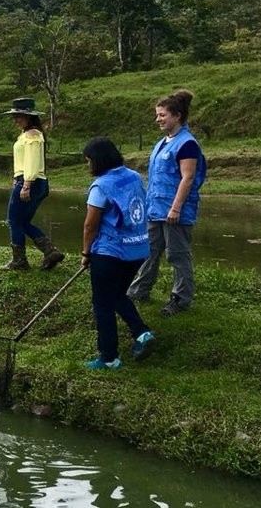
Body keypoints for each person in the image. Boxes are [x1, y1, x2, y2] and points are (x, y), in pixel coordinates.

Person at [127, 90, 207, 317]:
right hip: (155, 209)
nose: (158, 119)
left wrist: (176, 208)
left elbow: (188, 177)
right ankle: (139, 291)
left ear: (177, 116)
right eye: (157, 115)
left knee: (177, 255)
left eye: (162, 115)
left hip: (175, 211)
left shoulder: (187, 144)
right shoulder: (163, 142)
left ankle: (180, 300)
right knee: (149, 251)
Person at [80, 137, 154, 370]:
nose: (87, 165)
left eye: (88, 161)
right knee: (116, 295)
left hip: (110, 252)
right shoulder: (133, 176)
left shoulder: (101, 187)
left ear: (98, 161)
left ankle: (109, 357)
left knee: (102, 303)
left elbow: (90, 225)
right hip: (138, 249)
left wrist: (86, 253)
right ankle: (142, 334)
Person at [0, 98, 64, 271]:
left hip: (31, 182)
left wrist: (26, 184)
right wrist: (18, 177)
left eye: (19, 116)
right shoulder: (28, 134)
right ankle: (50, 251)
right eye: (15, 116)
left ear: (29, 117)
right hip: (31, 181)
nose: (16, 119)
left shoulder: (33, 136)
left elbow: (33, 161)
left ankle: (19, 261)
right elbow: (24, 161)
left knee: (14, 221)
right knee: (23, 221)